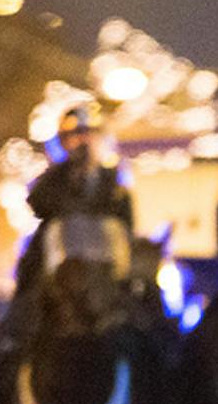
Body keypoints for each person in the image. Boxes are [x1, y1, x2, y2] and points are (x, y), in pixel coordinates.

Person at [16, 101, 134, 295]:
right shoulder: (53, 178)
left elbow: (125, 223)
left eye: (90, 134)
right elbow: (37, 203)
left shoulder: (114, 181)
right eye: (76, 135)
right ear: (64, 141)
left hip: (105, 261)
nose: (83, 141)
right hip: (60, 259)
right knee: (29, 280)